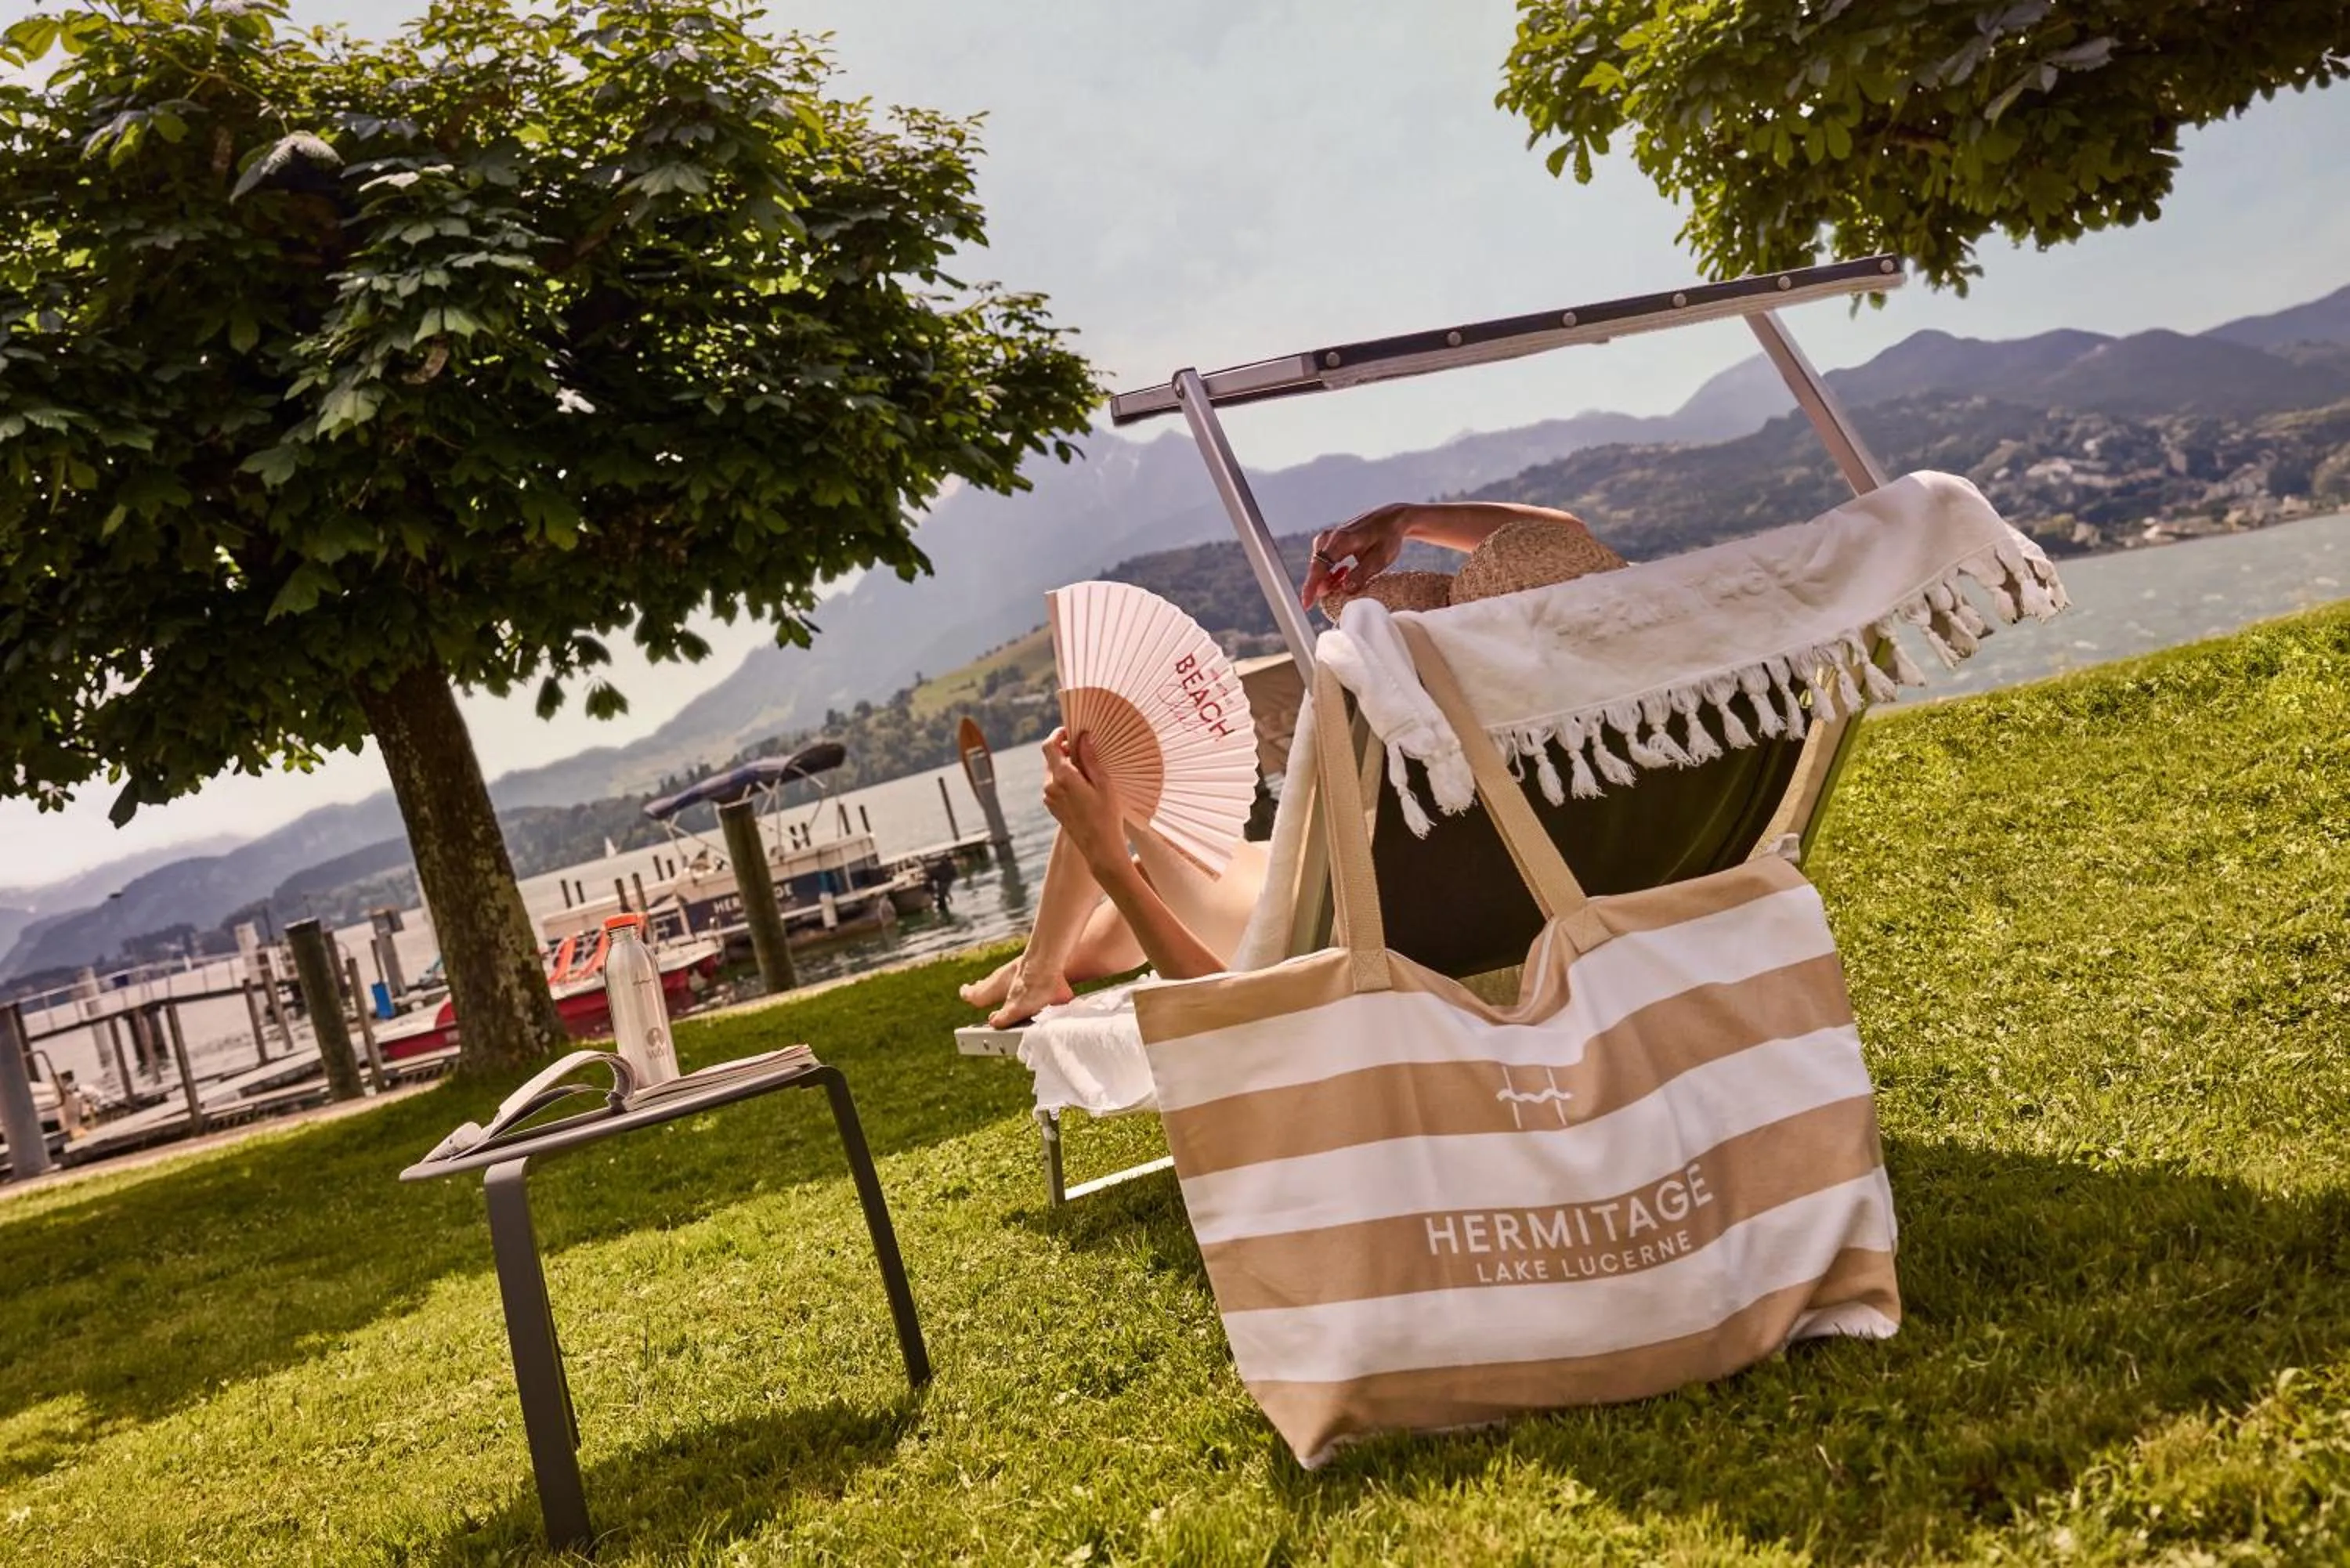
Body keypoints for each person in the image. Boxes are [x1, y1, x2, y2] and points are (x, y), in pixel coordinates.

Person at [960, 497, 1623, 1024]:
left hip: (1338, 936)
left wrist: (1407, 517)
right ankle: (1044, 964)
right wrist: (1407, 518)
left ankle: (1040, 971)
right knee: (1183, 864)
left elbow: (1244, 1011)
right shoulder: (1635, 712)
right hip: (1477, 909)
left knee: (1099, 755)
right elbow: (1566, 533)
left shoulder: (1426, 709)